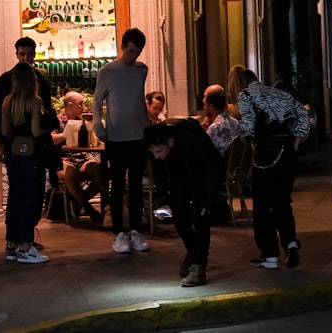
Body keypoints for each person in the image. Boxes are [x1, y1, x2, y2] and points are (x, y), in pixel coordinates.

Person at [230, 65, 310, 271]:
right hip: (288, 149)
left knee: (263, 204)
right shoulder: (278, 92)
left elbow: (247, 128)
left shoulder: (246, 95)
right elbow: (303, 114)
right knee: (282, 201)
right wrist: (297, 142)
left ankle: (270, 254)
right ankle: (290, 243)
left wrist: (240, 137)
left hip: (267, 151)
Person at [0, 36, 59, 255]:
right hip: (32, 148)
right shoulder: (10, 84)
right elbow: (39, 125)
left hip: (17, 148)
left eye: (29, 54)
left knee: (18, 194)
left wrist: (2, 141)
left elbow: (0, 123)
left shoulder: (14, 94)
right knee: (31, 194)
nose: (26, 58)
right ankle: (25, 242)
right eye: (22, 54)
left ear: (34, 53)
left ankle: (15, 241)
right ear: (16, 54)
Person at [144, 119, 224, 287]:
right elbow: (159, 174)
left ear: (170, 142)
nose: (156, 156)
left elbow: (210, 165)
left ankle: (199, 266)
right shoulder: (156, 146)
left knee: (199, 215)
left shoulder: (191, 138)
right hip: (180, 175)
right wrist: (163, 200)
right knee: (179, 215)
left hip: (202, 173)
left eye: (159, 151)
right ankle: (193, 252)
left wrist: (208, 199)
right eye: (153, 153)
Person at [93, 27, 151, 255]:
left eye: (137, 52)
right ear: (123, 47)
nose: (133, 56)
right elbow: (97, 102)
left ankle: (135, 230)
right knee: (117, 185)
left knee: (136, 185)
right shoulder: (107, 71)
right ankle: (118, 233)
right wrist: (99, 126)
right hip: (116, 136)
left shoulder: (141, 70)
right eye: (130, 51)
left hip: (138, 134)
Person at [56, 91, 103, 223]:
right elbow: (49, 139)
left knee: (103, 171)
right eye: (80, 104)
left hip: (82, 159)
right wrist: (65, 134)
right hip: (63, 159)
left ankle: (78, 201)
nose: (84, 107)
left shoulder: (82, 121)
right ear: (70, 105)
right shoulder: (57, 120)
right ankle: (89, 208)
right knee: (70, 172)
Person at [204, 87, 241, 156]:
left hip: (219, 165)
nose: (204, 108)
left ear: (211, 106)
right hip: (235, 165)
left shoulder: (214, 128)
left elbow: (203, 154)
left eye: (205, 105)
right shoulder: (235, 122)